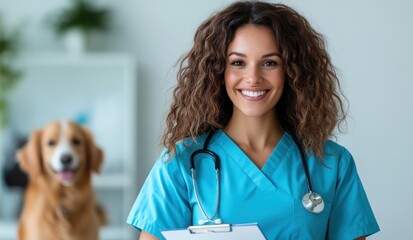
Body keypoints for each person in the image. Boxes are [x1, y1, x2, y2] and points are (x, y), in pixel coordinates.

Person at [127, 1, 380, 239]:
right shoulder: (180, 164)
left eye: (269, 63)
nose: (253, 78)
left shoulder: (332, 164)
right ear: (218, 71)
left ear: (291, 72)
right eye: (238, 62)